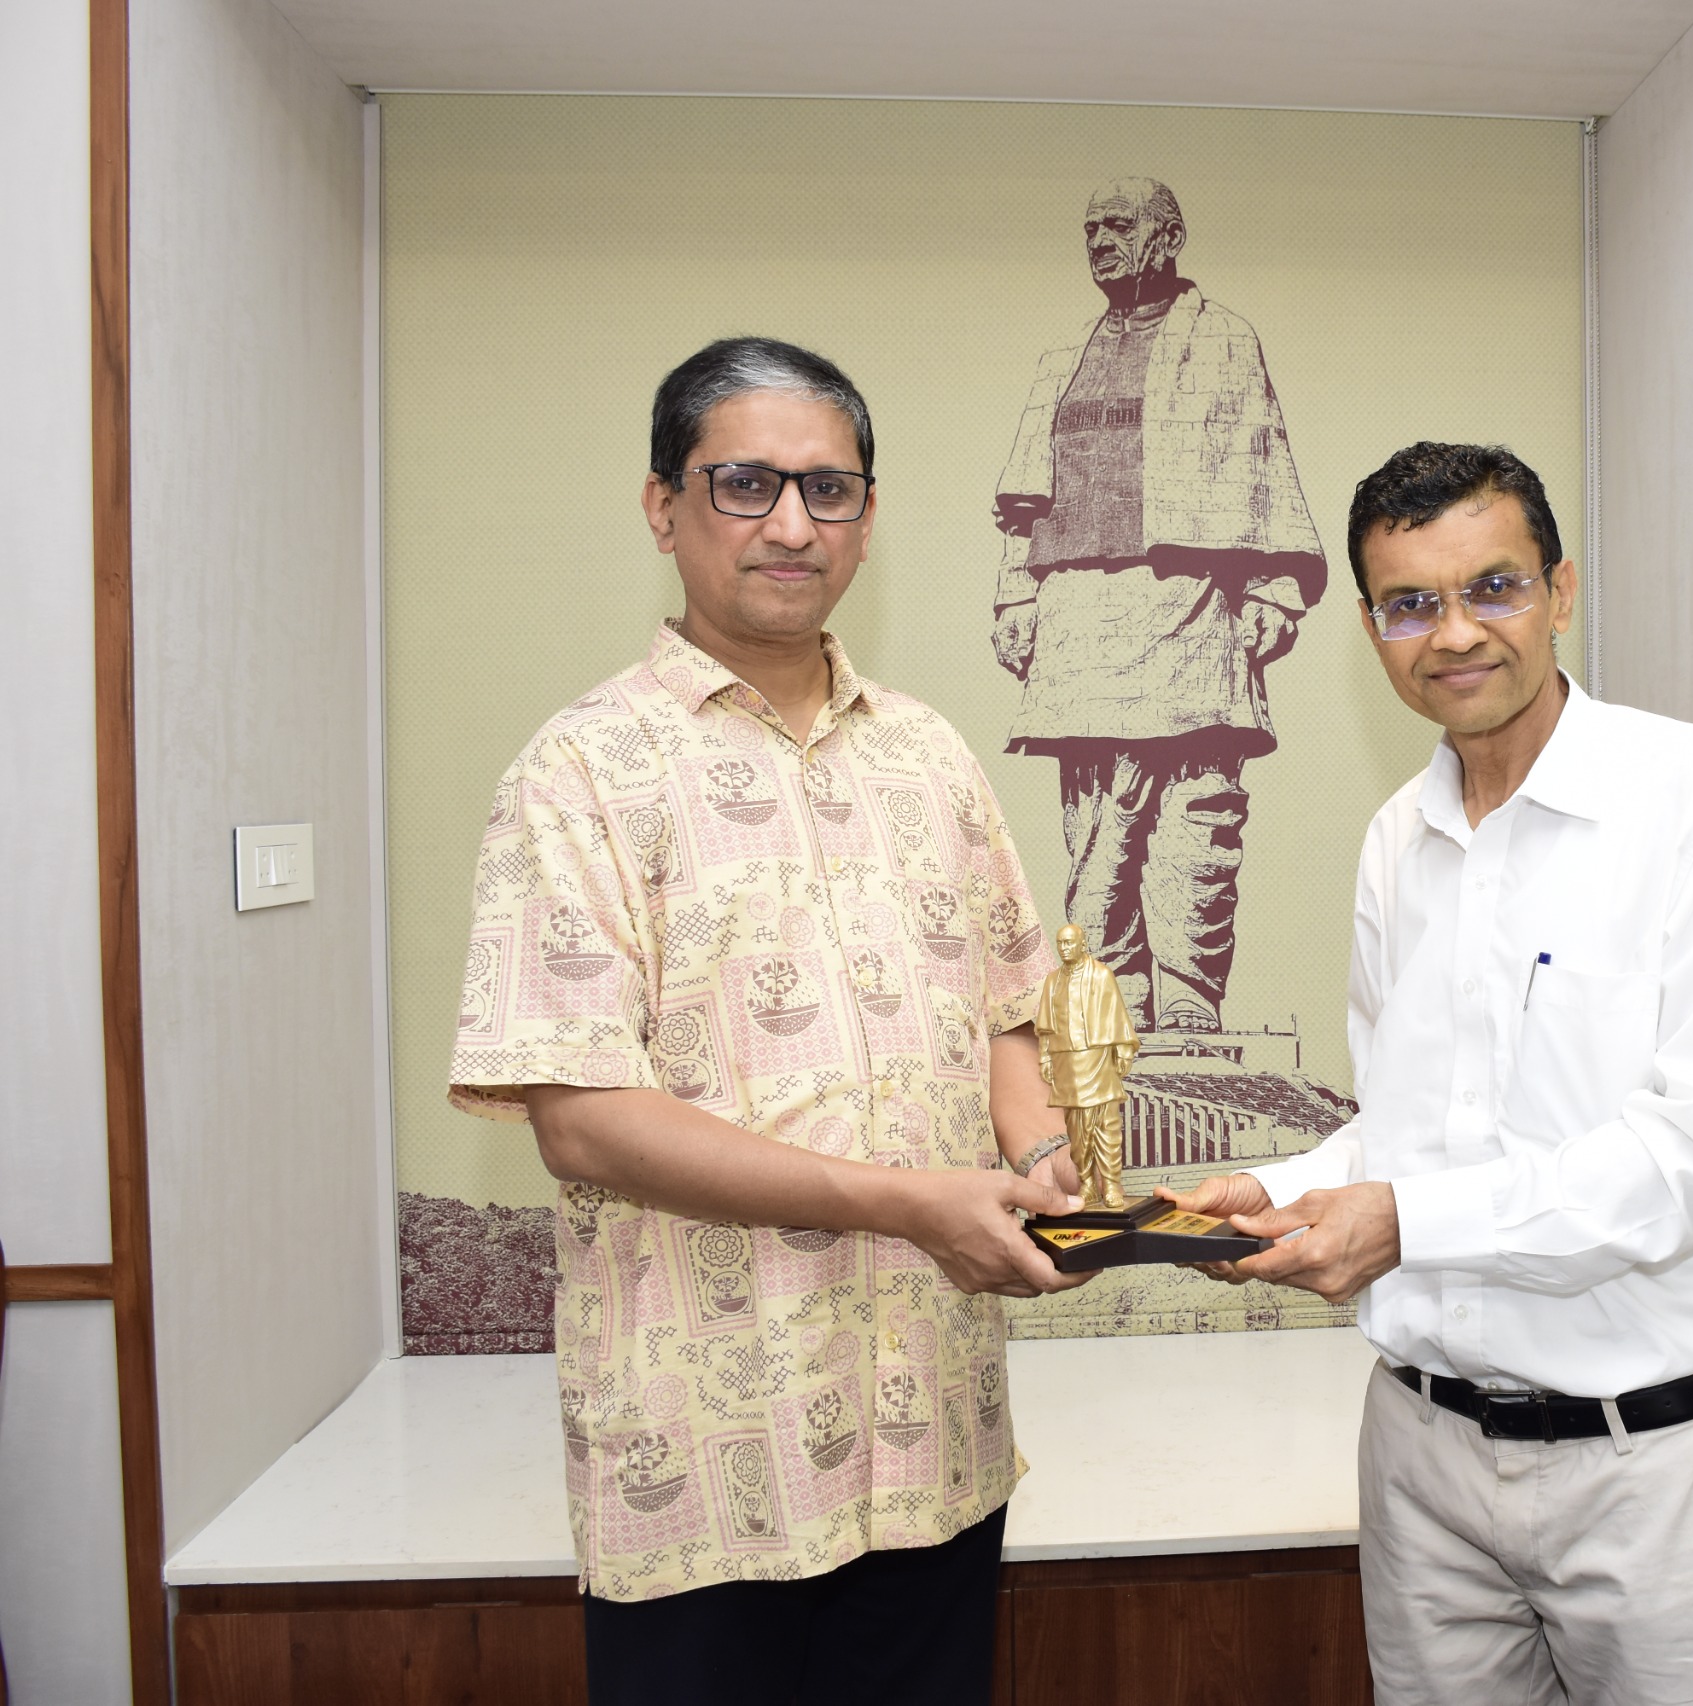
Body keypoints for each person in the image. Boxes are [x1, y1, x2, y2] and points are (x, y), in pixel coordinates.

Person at [448, 336, 1090, 1706]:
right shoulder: (581, 770)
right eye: (745, 483)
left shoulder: (929, 753)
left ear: (867, 513)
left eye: (828, 488)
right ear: (661, 505)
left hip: (933, 1434)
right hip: (707, 1456)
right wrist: (911, 1201)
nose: (792, 524)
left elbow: (1005, 1015)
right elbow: (583, 1122)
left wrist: (1043, 1163)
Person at [1166, 443, 1693, 1704]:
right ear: (1370, 627)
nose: (1453, 633)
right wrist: (1273, 1189)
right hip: (1423, 1461)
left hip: (1653, 1466)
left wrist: (1402, 1222)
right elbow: (1399, 1128)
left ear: (1559, 590)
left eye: (1492, 587)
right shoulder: (1396, 838)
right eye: (1410, 603)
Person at [988, 176, 1328, 1033]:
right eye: (1090, 228)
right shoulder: (1061, 359)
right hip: (1076, 611)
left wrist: (1274, 589)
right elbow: (1025, 503)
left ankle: (1188, 1005)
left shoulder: (1224, 341)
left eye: (1118, 225)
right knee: (1094, 816)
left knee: (1195, 808)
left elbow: (1262, 464)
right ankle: (1120, 1010)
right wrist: (1016, 595)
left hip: (1189, 606)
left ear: (1167, 238)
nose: (1100, 241)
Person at [1034, 922, 1141, 1211]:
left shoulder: (1102, 975)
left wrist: (1122, 1050)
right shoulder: (1053, 981)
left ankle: (1111, 1183)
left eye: (1069, 942)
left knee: (1106, 1123)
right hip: (1066, 1062)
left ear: (1083, 944)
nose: (1064, 948)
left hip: (1098, 1058)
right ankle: (1087, 1182)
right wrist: (1045, 1058)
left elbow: (1116, 1015)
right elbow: (1045, 1028)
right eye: (1060, 943)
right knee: (1077, 1129)